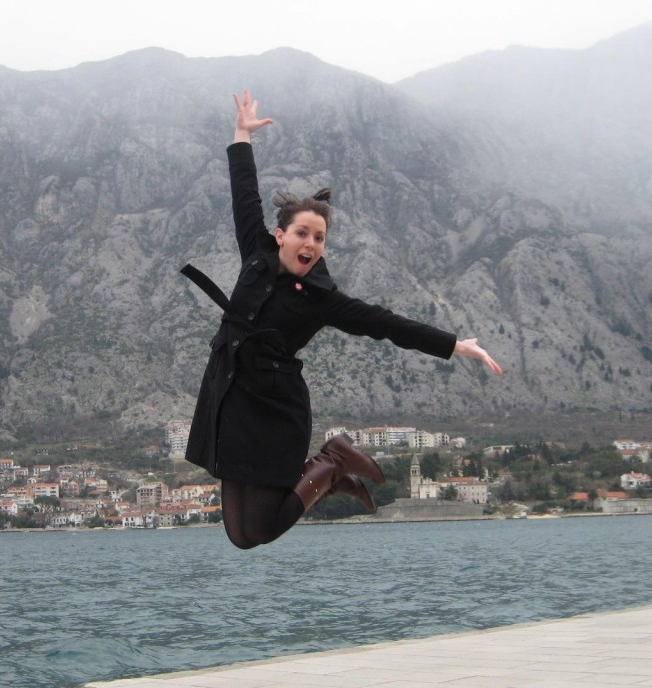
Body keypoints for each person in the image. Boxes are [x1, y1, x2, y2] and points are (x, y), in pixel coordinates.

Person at [181, 90, 503, 549]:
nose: (310, 243)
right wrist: (241, 135)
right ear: (280, 235)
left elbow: (388, 324)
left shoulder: (322, 299)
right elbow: (244, 193)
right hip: (231, 397)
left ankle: (331, 463)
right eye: (301, 233)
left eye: (320, 237)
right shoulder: (256, 251)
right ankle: (328, 476)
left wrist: (454, 345)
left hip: (273, 410)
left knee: (258, 530)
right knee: (241, 534)